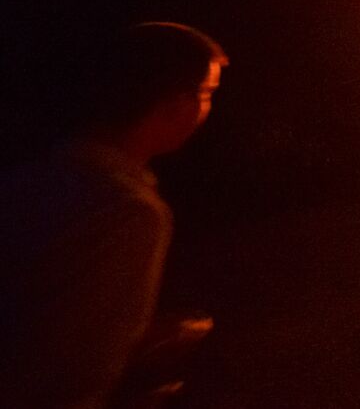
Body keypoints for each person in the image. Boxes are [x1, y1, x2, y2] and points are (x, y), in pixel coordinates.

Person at [0, 22, 227, 409]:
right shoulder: (129, 214)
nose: (206, 108)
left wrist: (139, 336)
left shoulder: (31, 180)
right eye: (206, 93)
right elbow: (71, 376)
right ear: (177, 103)